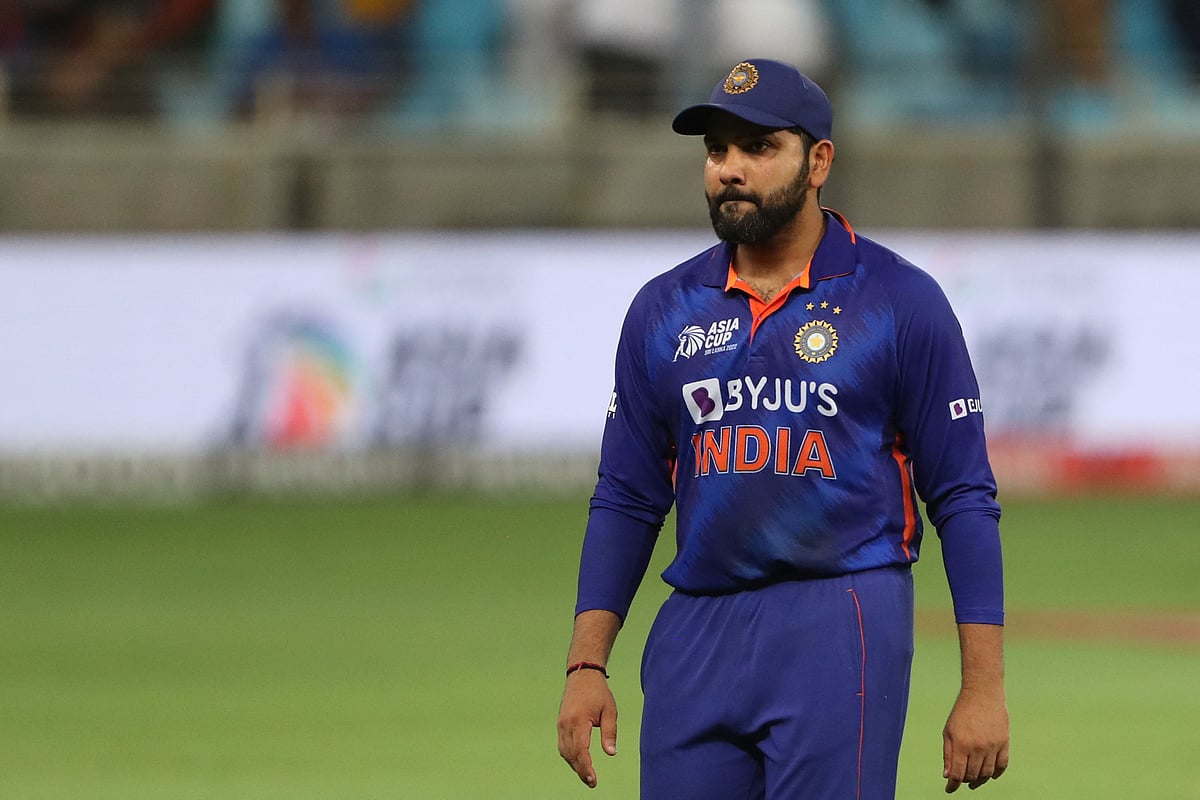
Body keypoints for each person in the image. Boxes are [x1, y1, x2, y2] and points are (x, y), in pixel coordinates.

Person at [555, 58, 1009, 798]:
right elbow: (627, 498)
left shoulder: (900, 302)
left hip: (840, 620)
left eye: (759, 147)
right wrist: (585, 666)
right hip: (694, 632)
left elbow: (962, 497)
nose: (730, 169)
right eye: (717, 150)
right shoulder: (663, 311)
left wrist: (982, 689)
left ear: (819, 160)